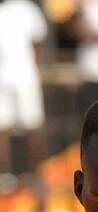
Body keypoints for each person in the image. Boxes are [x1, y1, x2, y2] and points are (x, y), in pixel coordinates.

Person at [0, 0, 48, 175]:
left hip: (20, 75)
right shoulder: (28, 9)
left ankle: (34, 174)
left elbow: (37, 42)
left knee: (28, 125)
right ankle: (12, 176)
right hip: (17, 75)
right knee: (24, 126)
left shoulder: (28, 9)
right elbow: (38, 44)